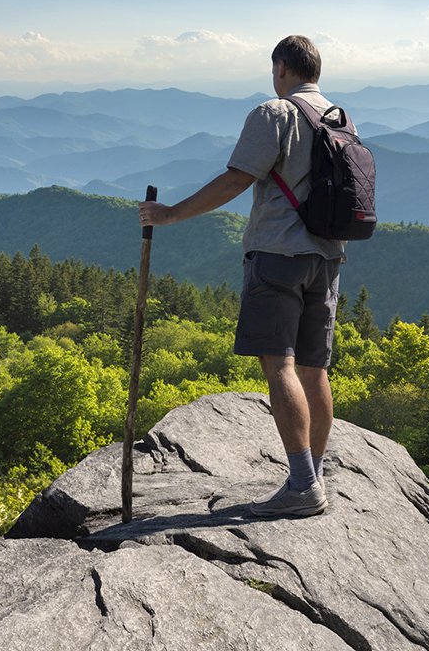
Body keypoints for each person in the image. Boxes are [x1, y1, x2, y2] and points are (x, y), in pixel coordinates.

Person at [139, 35, 343, 518]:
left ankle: (301, 486)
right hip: (329, 256)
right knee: (315, 368)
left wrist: (169, 215)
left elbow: (237, 178)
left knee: (281, 365)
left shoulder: (275, 113)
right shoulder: (339, 117)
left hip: (278, 254)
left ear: (281, 69)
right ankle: (312, 474)